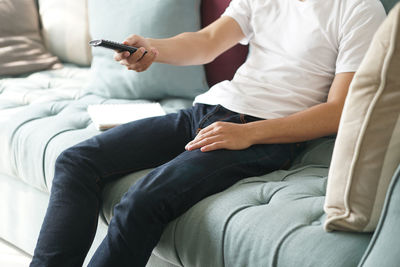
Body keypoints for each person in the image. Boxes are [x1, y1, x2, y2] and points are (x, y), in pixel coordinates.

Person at [30, 0, 386, 266]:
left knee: (142, 201)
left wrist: (249, 135)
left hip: (263, 131)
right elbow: (207, 42)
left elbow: (341, 111)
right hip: (207, 110)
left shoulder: (359, 9)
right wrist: (151, 49)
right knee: (76, 161)